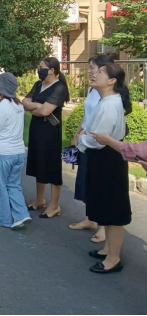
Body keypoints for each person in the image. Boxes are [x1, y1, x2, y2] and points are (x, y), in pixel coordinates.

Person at [78, 63, 131, 274]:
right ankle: (109, 249)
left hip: (108, 159)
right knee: (106, 207)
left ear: (112, 81)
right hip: (104, 158)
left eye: (100, 72)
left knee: (113, 211)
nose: (94, 74)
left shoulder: (110, 104)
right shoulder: (107, 100)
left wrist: (81, 140)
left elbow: (98, 139)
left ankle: (113, 259)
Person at [69, 55, 114, 243]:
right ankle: (91, 219)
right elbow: (87, 114)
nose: (89, 72)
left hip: (99, 143)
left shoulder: (110, 93)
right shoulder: (92, 89)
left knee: (99, 184)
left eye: (93, 68)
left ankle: (103, 227)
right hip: (86, 141)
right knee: (87, 181)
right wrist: (77, 132)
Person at [23, 57, 69, 218]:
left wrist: (37, 108)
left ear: (52, 70)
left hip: (50, 133)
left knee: (51, 166)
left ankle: (54, 205)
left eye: (42, 67)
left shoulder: (59, 88)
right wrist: (38, 106)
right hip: (36, 130)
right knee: (39, 164)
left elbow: (45, 112)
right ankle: (39, 199)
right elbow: (24, 102)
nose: (39, 70)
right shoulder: (38, 85)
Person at [0, 73, 32, 229]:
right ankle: (21, 215)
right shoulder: (18, 105)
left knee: (0, 186)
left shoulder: (2, 107)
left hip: (3, 152)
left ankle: (4, 219)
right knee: (13, 185)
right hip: (18, 151)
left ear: (2, 87)